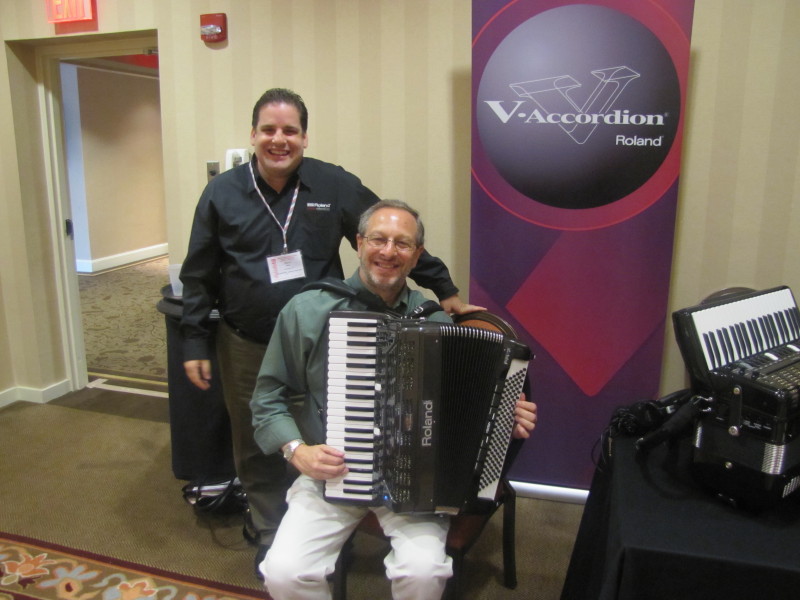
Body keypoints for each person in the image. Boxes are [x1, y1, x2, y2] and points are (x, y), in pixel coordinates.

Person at [179, 88, 482, 578]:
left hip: (327, 339)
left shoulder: (332, 184)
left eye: (290, 130)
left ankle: (326, 531)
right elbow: (199, 270)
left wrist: (442, 287)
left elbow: (389, 235)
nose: (279, 140)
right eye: (269, 130)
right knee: (258, 445)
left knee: (333, 434)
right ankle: (271, 530)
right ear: (252, 134)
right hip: (247, 339)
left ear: (304, 136)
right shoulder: (222, 192)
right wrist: (194, 337)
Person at [250, 200, 538, 600]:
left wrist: (506, 414)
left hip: (415, 482)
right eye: (378, 239)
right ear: (358, 243)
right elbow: (267, 395)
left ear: (417, 255)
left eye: (402, 244)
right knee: (283, 572)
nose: (388, 252)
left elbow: (464, 413)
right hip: (331, 471)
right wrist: (296, 450)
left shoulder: (435, 322)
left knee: (424, 573)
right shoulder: (308, 309)